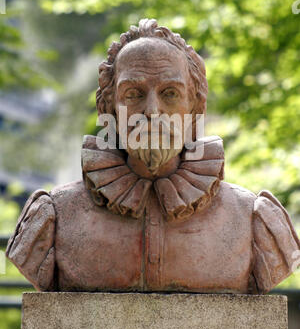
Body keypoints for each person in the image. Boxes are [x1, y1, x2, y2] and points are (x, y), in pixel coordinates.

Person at [6, 19, 300, 294]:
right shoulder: (55, 218)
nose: (152, 111)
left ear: (195, 107)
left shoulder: (252, 219)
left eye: (170, 93)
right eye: (133, 93)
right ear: (108, 107)